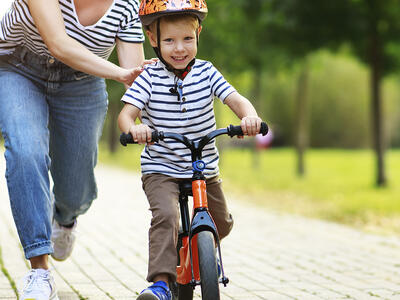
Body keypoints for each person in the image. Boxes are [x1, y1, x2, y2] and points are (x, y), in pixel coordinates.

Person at [0, 0, 152, 299]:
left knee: (76, 185)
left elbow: (136, 77)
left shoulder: (128, 5)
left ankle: (66, 217)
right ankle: (40, 271)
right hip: (18, 68)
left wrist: (156, 122)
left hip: (82, 83)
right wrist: (119, 73)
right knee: (25, 150)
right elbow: (58, 43)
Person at [118, 0, 263, 299]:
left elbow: (236, 99)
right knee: (167, 219)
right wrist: (134, 129)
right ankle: (160, 284)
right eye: (169, 40)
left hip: (203, 167)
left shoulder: (207, 72)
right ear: (153, 39)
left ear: (199, 33)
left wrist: (249, 117)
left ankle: (202, 253)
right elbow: (126, 115)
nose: (179, 48)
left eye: (187, 38)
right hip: (162, 169)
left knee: (221, 221)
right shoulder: (149, 77)